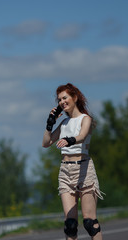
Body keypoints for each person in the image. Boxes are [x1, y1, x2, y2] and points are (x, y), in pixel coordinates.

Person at [42, 83, 104, 240]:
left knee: (90, 222)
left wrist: (69, 140)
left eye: (65, 98)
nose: (62, 102)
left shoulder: (86, 119)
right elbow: (46, 143)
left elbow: (82, 136)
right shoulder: (63, 124)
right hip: (65, 171)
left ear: (74, 98)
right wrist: (49, 124)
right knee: (70, 225)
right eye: (59, 100)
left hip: (84, 170)